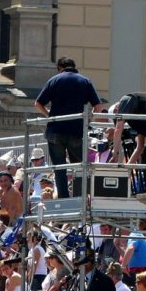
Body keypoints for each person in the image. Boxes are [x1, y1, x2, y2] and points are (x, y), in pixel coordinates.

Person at [34, 57, 104, 199]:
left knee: (60, 169)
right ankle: (82, 197)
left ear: (60, 67)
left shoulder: (54, 80)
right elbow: (98, 106)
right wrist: (88, 120)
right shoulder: (85, 81)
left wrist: (50, 117)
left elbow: (38, 103)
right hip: (76, 131)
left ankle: (64, 199)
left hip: (55, 131)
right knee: (80, 167)